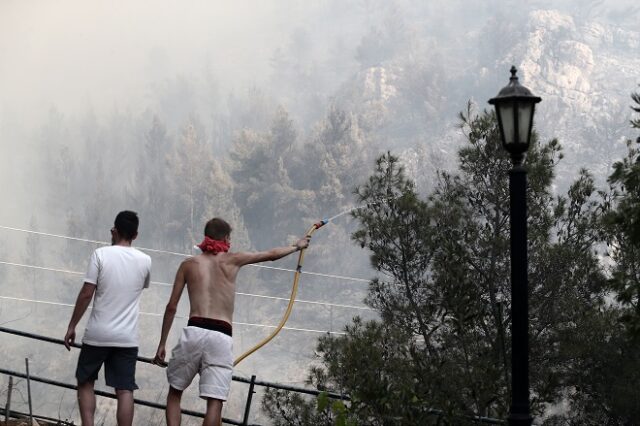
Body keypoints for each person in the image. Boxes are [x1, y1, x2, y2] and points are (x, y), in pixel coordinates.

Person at [153, 217, 310, 426]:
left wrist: (162, 343)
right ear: (226, 238)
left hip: (194, 331)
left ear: (206, 237)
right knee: (214, 402)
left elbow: (171, 306)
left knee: (174, 393)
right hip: (221, 335)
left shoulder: (188, 265)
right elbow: (271, 255)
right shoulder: (233, 260)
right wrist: (295, 246)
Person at [64, 211, 152, 426]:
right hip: (127, 338)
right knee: (124, 389)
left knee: (85, 382)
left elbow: (87, 293)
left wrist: (72, 325)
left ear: (115, 230)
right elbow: (140, 287)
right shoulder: (145, 261)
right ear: (136, 235)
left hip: (98, 334)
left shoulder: (100, 255)